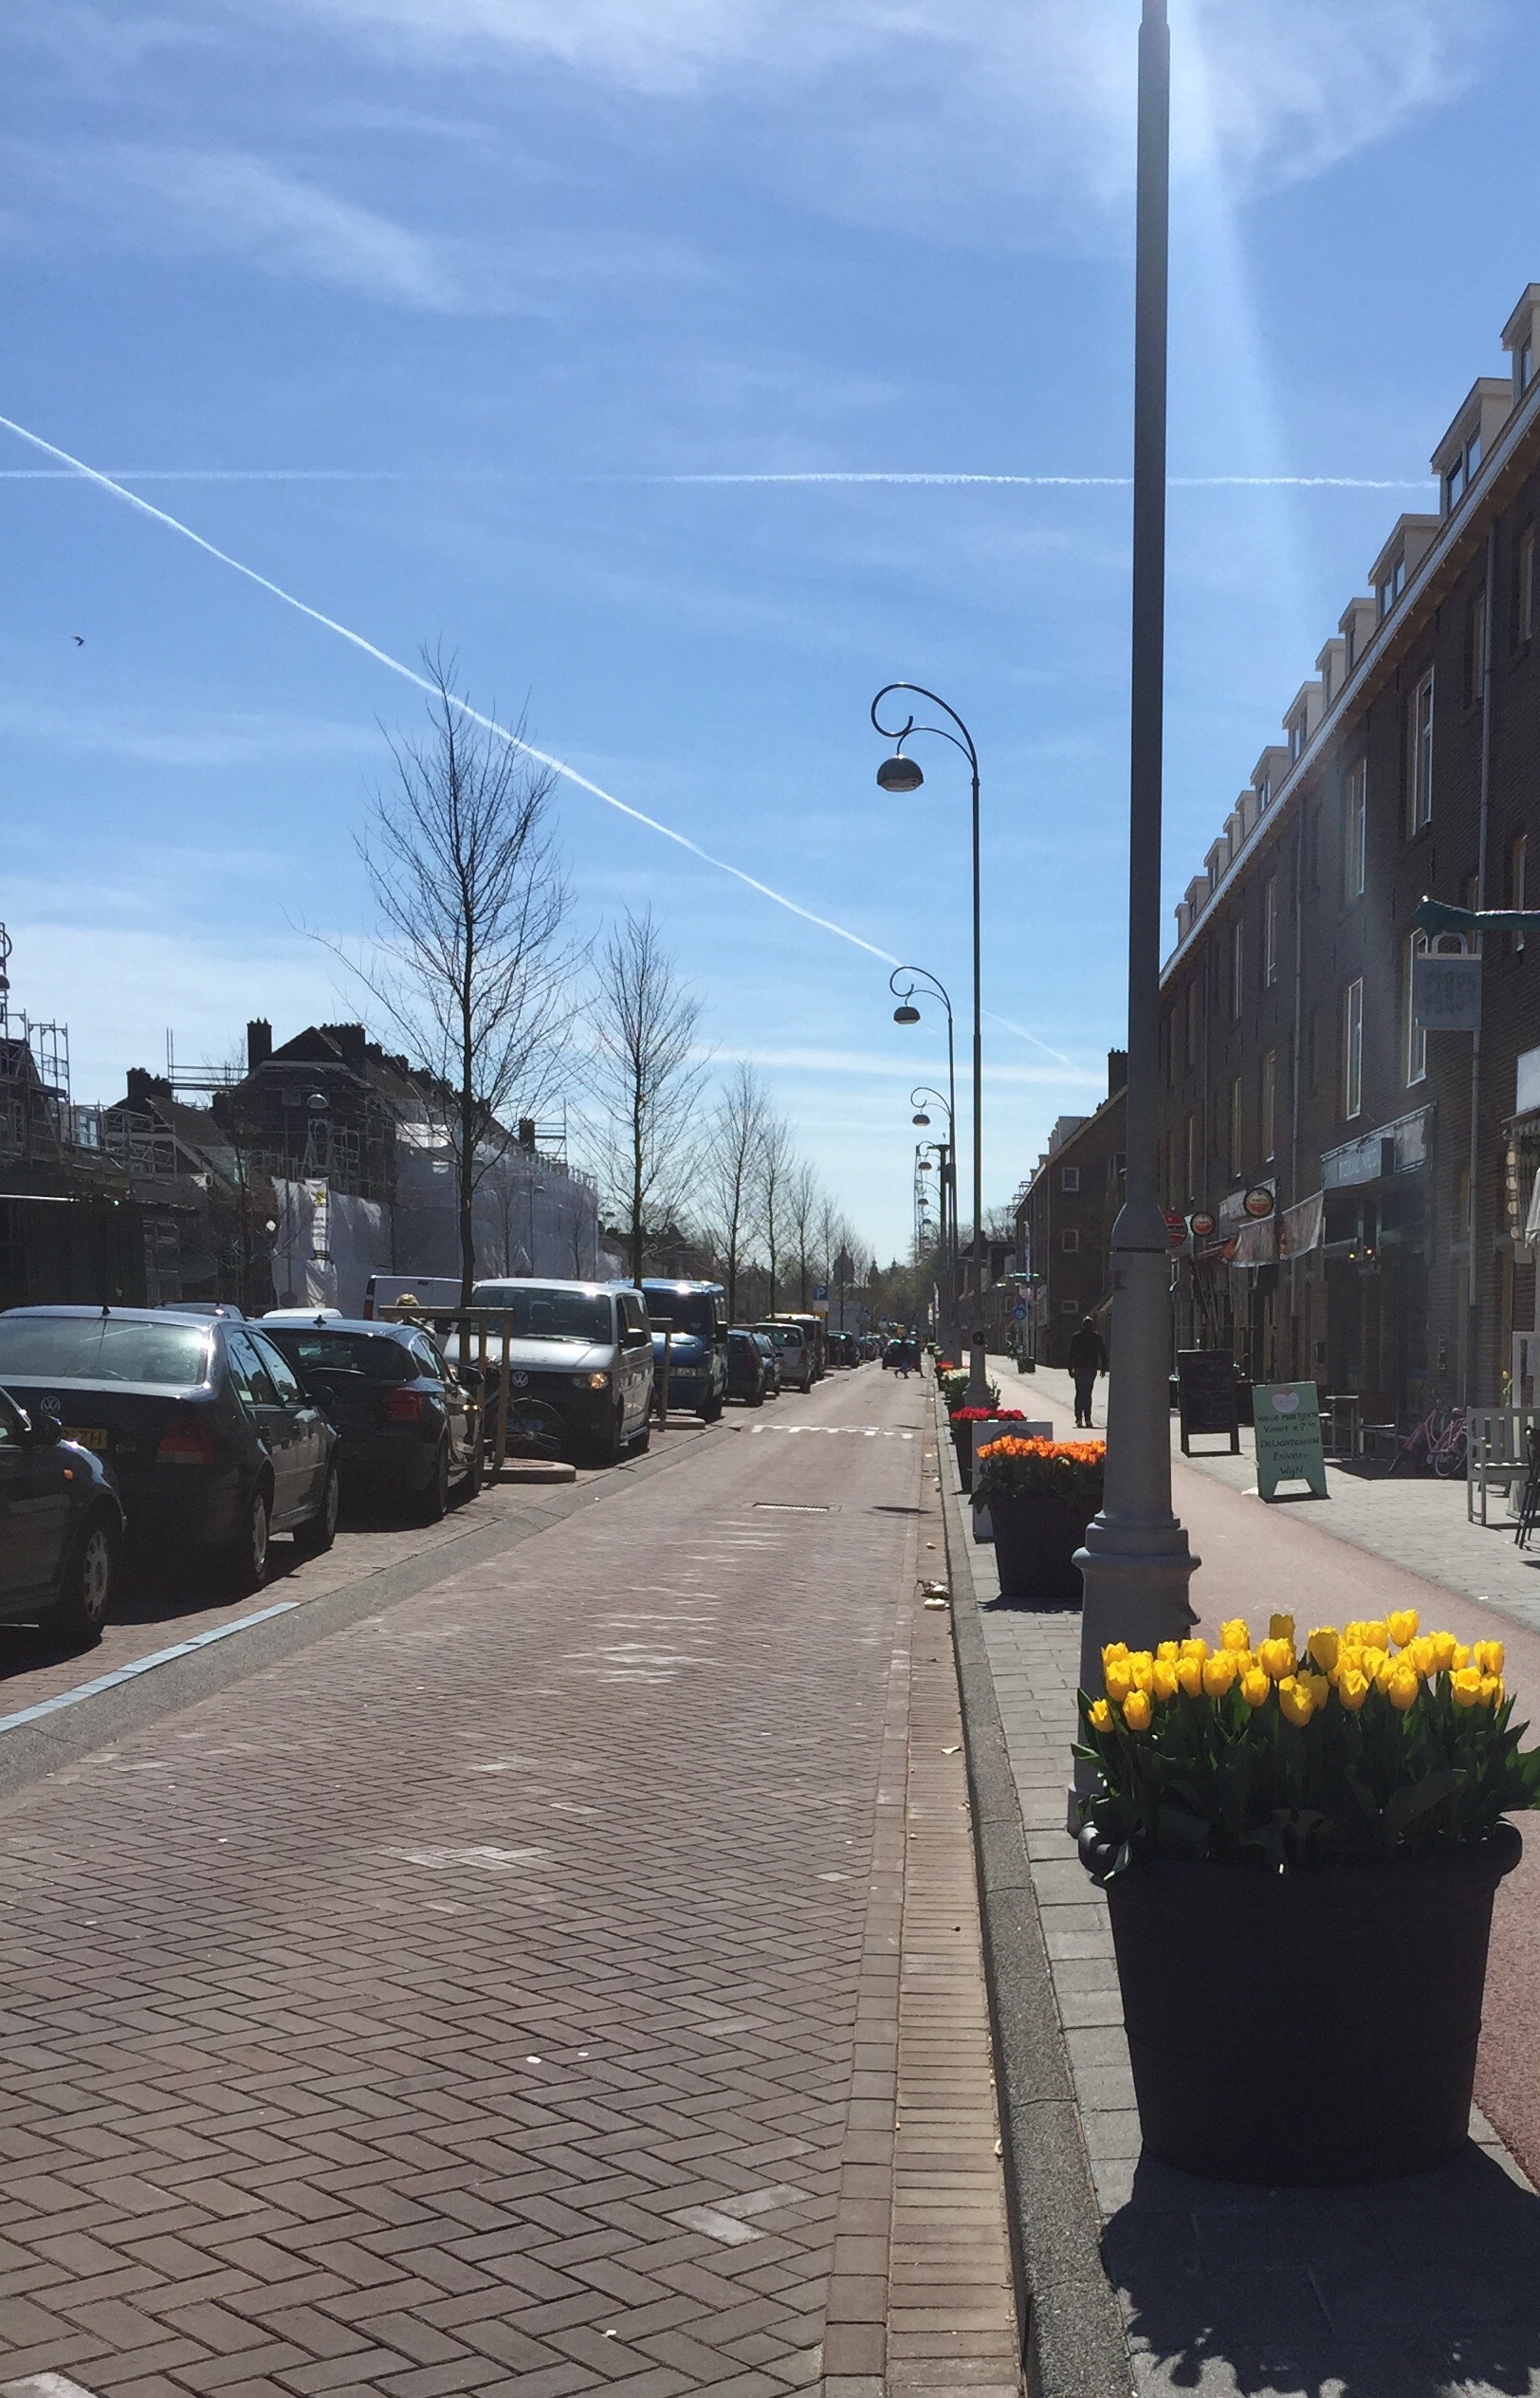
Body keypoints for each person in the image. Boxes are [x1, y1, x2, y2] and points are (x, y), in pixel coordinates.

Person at [1066, 1317, 1107, 1429]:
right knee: (1088, 1394)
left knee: (1079, 1393)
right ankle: (1087, 1419)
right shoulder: (1096, 1337)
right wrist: (1103, 1368)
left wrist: (1070, 1368)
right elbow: (1102, 1353)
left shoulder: (1077, 1337)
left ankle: (1079, 1419)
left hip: (1080, 1368)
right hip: (1090, 1368)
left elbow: (1071, 1353)